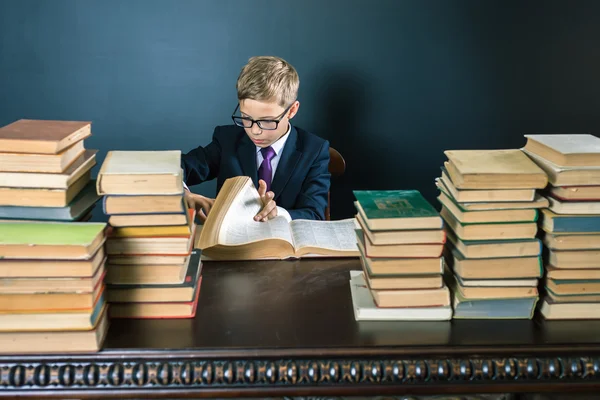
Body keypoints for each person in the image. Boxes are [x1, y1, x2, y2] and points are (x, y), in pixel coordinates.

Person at [181, 56, 331, 223]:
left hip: (285, 245)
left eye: (267, 121)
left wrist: (279, 213)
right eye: (246, 117)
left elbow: (315, 213)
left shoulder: (314, 150)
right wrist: (183, 193)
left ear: (292, 111)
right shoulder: (227, 140)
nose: (254, 131)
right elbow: (178, 167)